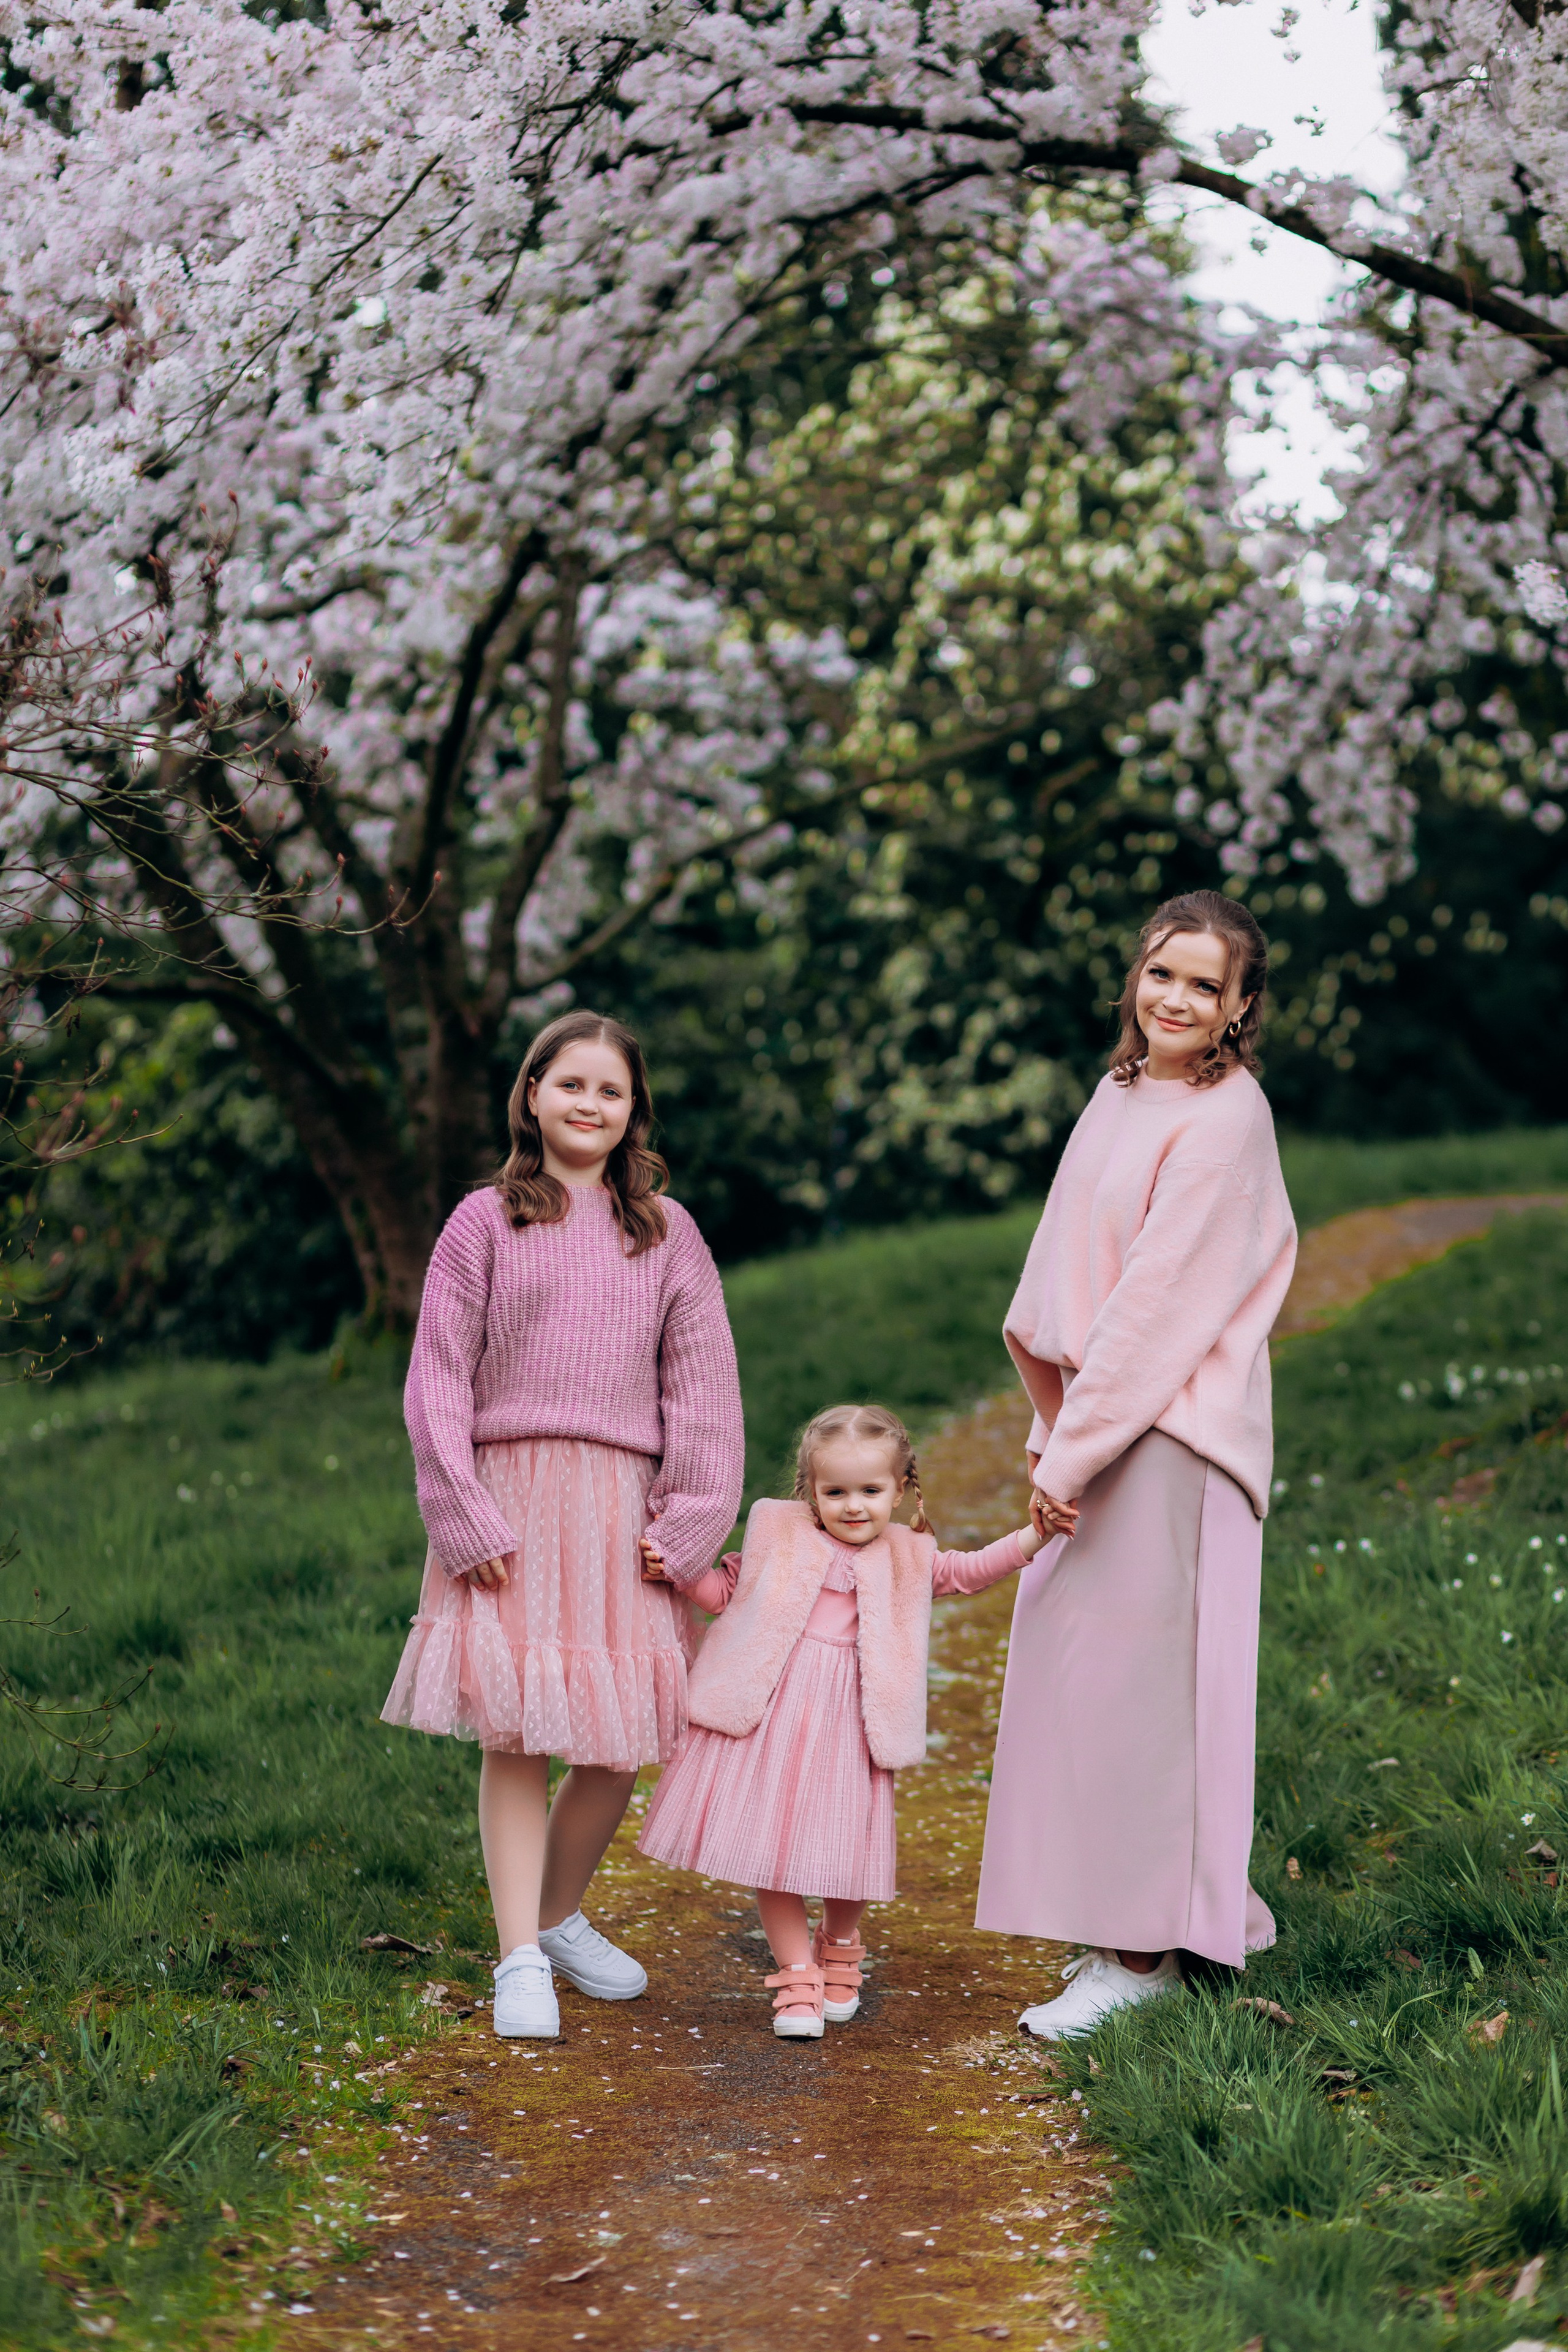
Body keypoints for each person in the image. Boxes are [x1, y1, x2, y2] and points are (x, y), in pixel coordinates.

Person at [383, 1011, 744, 2040]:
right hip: (510, 1505)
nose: (590, 1103)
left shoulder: (667, 1234)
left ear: (634, 1113)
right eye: (571, 1084)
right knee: (518, 1733)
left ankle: (553, 1914)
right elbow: (437, 1378)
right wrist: (461, 1513)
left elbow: (705, 1391)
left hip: (623, 1509)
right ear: (532, 1095)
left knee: (616, 1738)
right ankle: (518, 1961)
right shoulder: (484, 1223)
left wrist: (691, 1521)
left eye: (611, 1090)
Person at [978, 891, 1297, 2038]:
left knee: (1143, 1700)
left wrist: (1075, 1449)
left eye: (1207, 985)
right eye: (1164, 973)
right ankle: (1141, 1920)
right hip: (1106, 1420)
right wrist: (1055, 1421)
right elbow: (1061, 1259)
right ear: (1137, 977)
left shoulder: (1227, 1119)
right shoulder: (1121, 1091)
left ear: (1241, 1006)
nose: (1178, 999)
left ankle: (1145, 1960)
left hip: (1171, 1435)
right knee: (1081, 1681)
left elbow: (1161, 1310)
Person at [637, 1403, 1045, 2038]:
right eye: (836, 1493)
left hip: (855, 1721)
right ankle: (796, 1973)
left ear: (900, 1490)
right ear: (810, 1491)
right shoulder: (778, 1538)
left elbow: (968, 1572)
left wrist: (1032, 1538)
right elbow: (724, 1596)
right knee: (772, 1849)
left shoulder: (909, 1556)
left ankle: (841, 1942)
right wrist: (682, 1572)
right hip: (773, 1714)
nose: (854, 1506)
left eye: (870, 1491)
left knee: (846, 1845)